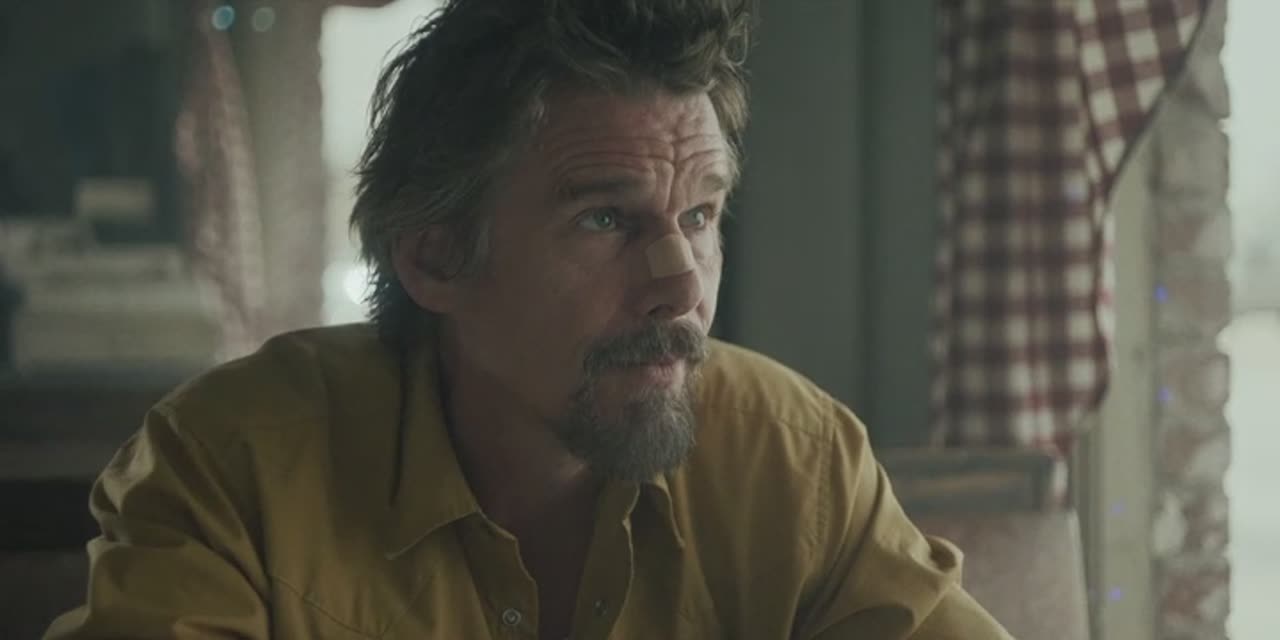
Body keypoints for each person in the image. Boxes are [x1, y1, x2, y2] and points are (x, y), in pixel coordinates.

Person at [47, 1, 1012, 637]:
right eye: (605, 219)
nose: (682, 288)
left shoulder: (795, 461)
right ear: (436, 256)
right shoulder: (233, 469)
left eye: (700, 216)